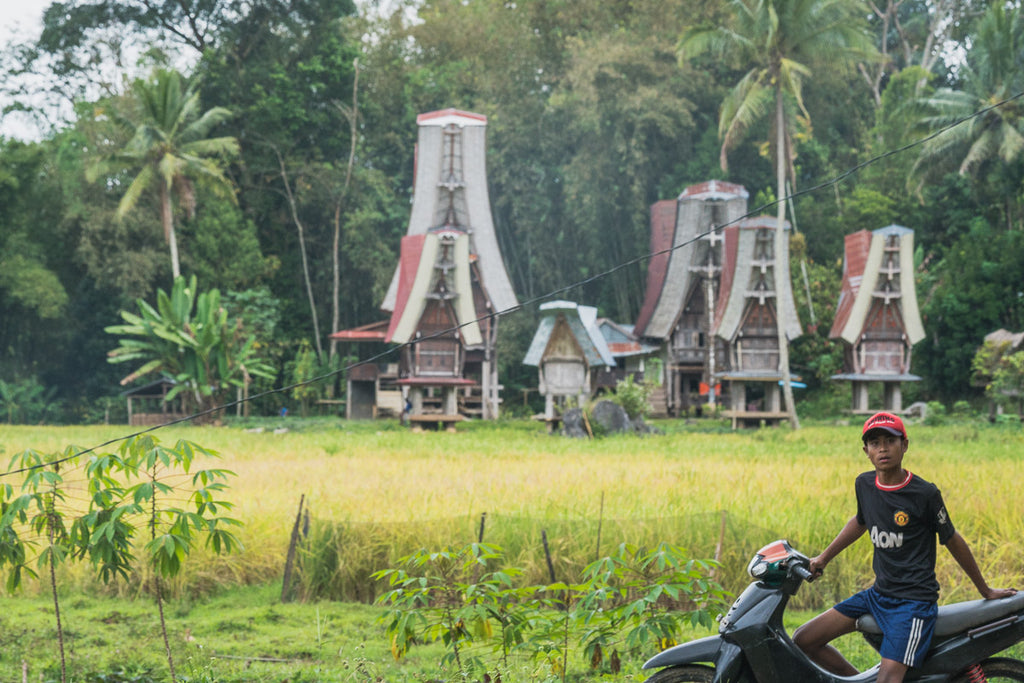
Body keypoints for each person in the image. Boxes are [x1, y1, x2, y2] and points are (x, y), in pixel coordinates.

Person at [792, 411, 1016, 683]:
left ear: (905, 445)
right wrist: (823, 558)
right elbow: (860, 521)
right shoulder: (864, 484)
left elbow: (952, 539)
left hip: (912, 604)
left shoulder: (924, 494)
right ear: (866, 450)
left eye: (890, 440)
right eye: (875, 443)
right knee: (804, 639)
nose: (883, 448)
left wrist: (985, 589)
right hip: (877, 596)